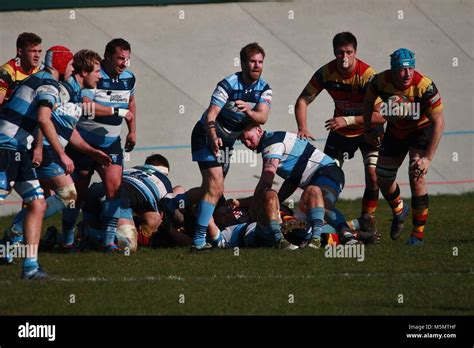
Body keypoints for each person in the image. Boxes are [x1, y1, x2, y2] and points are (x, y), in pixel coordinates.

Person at [4, 49, 110, 251]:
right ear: (84, 71)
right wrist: (40, 148)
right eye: (97, 71)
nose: (100, 76)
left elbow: (67, 131)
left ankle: (13, 239)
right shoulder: (62, 90)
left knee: (44, 198)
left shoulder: (76, 94)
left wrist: (91, 151)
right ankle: (15, 235)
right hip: (42, 150)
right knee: (64, 194)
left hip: (44, 150)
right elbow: (43, 118)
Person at [294, 32, 385, 234]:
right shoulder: (326, 72)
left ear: (355, 52)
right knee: (329, 183)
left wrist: (348, 120)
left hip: (368, 131)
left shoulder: (368, 75)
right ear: (334, 52)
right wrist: (302, 127)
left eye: (349, 52)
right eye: (340, 53)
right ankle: (323, 221)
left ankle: (368, 221)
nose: (344, 58)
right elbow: (302, 101)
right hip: (340, 133)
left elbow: (382, 115)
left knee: (373, 176)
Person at [0, 45, 76, 279]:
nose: (72, 71)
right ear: (62, 65)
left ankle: (30, 267)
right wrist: (61, 154)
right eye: (70, 65)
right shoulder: (48, 83)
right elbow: (44, 118)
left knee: (37, 203)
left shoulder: (40, 79)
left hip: (18, 150)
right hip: (5, 146)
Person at [190, 42, 272, 250]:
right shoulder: (228, 84)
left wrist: (248, 112)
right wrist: (212, 134)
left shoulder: (264, 88)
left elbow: (262, 117)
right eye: (252, 61)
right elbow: (211, 114)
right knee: (215, 185)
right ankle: (199, 240)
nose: (256, 66)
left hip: (227, 142)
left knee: (214, 189)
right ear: (243, 63)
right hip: (205, 135)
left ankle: (176, 202)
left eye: (260, 62)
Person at [363, 48, 444, 245]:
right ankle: (399, 210)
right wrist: (370, 128)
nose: (407, 74)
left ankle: (417, 235)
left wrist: (428, 159)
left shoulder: (425, 86)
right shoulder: (380, 81)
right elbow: (367, 103)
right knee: (382, 177)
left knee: (416, 176)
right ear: (393, 70)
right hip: (396, 131)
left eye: (410, 69)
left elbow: (439, 122)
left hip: (420, 130)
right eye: (401, 70)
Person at [62, 38, 136, 252]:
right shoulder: (94, 75)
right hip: (82, 143)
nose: (124, 64)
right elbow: (85, 107)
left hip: (111, 143)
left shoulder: (129, 78)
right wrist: (117, 111)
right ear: (107, 56)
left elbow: (131, 103)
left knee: (114, 188)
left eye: (127, 59)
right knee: (77, 194)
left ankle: (108, 242)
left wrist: (132, 130)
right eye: (120, 58)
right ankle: (67, 239)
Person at [240, 125, 360, 246]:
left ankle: (347, 236)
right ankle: (359, 226)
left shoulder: (271, 146)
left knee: (323, 206)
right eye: (243, 141)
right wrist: (277, 203)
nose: (248, 144)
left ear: (259, 130)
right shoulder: (275, 138)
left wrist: (254, 207)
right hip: (326, 174)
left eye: (249, 138)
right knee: (307, 225)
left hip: (327, 172)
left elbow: (266, 181)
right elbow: (292, 181)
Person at [0, 32, 42, 105]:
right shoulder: (6, 73)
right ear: (20, 51)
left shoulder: (38, 71)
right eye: (33, 51)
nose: (37, 55)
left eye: (39, 51)